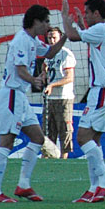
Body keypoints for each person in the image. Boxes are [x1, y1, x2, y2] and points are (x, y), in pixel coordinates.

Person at [0, 5, 66, 203]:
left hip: (20, 97)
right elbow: (20, 70)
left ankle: (23, 185)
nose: (48, 26)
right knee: (7, 141)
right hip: (11, 95)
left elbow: (50, 53)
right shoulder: (21, 40)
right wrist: (34, 80)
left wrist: (67, 36)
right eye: (46, 22)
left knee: (38, 138)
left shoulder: (32, 40)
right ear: (36, 22)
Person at [61, 0, 105, 203]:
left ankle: (104, 181)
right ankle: (95, 187)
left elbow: (71, 35)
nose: (84, 15)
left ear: (96, 13)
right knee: (94, 140)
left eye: (87, 13)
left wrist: (64, 16)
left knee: (82, 138)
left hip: (102, 91)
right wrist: (80, 23)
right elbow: (85, 35)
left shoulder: (102, 30)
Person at [42, 27, 76, 159]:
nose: (51, 40)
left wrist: (52, 84)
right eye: (49, 37)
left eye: (54, 37)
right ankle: (47, 157)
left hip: (63, 98)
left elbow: (69, 77)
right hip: (50, 98)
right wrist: (44, 73)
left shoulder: (66, 54)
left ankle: (64, 158)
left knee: (64, 130)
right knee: (48, 130)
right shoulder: (48, 53)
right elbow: (44, 65)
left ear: (60, 38)